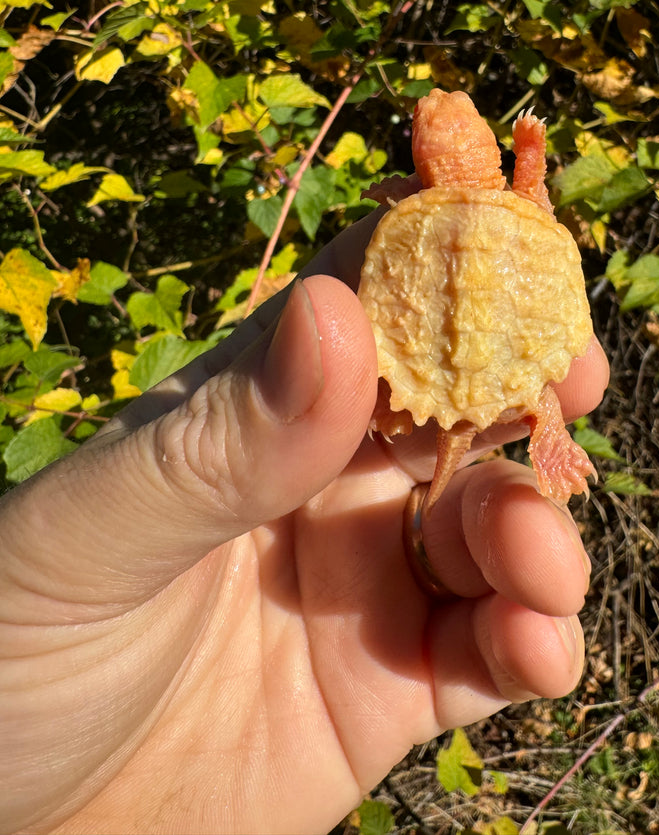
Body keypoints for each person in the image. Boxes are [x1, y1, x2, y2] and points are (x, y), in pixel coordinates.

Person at [0, 209, 609, 835]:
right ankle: (536, 436)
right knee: (517, 419)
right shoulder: (437, 210)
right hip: (456, 345)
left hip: (477, 339)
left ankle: (548, 440)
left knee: (540, 403)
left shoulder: (426, 212)